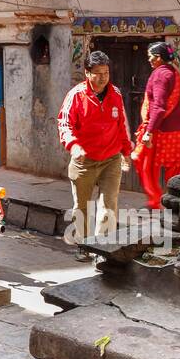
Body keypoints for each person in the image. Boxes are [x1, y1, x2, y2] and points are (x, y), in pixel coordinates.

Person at [57, 50, 133, 256]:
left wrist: (126, 150)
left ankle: (102, 250)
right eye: (98, 73)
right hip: (84, 161)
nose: (102, 78)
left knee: (109, 206)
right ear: (87, 73)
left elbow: (120, 125)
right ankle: (83, 247)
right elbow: (65, 124)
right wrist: (73, 146)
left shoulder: (115, 94)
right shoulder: (76, 96)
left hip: (111, 159)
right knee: (82, 207)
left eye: (106, 73)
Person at [131, 41, 180, 209]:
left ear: (158, 58)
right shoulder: (173, 72)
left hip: (161, 130)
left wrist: (149, 131)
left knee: (144, 162)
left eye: (150, 56)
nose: (149, 60)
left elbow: (158, 106)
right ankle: (178, 205)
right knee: (175, 169)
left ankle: (155, 200)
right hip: (176, 128)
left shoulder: (160, 75)